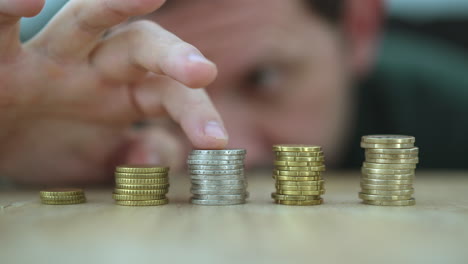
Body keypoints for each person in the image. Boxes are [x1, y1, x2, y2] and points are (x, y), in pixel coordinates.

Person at [0, 0, 467, 186]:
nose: (221, 143)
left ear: (360, 28)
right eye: (161, 82)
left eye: (263, 79)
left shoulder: (453, 112)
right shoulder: (54, 102)